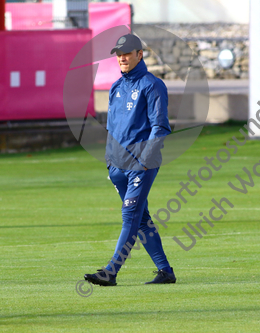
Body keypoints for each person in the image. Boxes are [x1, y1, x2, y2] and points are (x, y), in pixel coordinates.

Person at [84, 34, 176, 286]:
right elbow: (112, 128)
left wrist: (144, 161)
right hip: (118, 167)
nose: (122, 57)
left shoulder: (152, 85)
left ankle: (111, 271)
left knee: (130, 217)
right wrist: (110, 163)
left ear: (140, 54)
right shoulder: (116, 86)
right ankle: (165, 272)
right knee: (142, 219)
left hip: (141, 166)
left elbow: (160, 127)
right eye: (119, 54)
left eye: (128, 53)